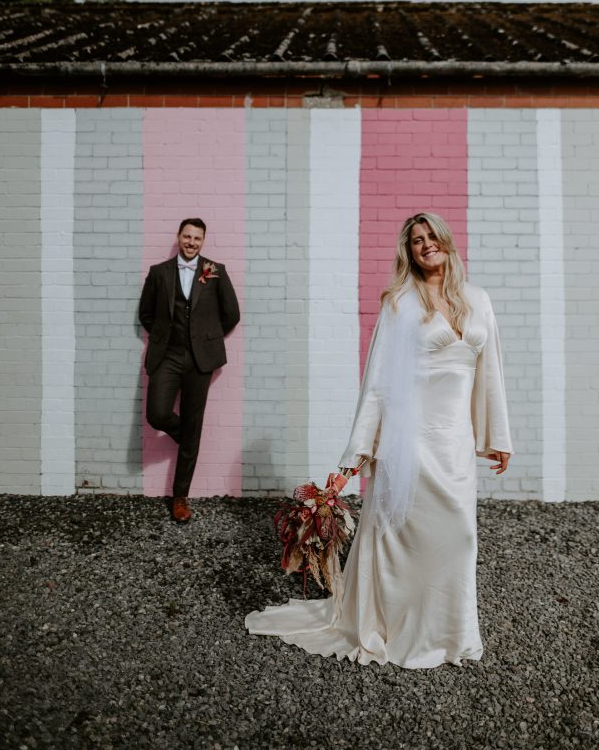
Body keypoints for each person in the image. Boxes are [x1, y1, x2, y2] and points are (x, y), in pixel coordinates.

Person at [246, 211, 513, 668]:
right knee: (403, 537)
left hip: (455, 447)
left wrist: (496, 437)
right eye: (415, 241)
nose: (425, 244)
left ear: (446, 241)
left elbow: (490, 373)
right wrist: (359, 452)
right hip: (410, 445)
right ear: (408, 252)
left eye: (431, 236)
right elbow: (377, 385)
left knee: (460, 536)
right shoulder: (399, 303)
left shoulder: (477, 299)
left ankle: (452, 634)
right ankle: (398, 625)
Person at [139, 218, 240, 523]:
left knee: (195, 417)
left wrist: (206, 338)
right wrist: (163, 336)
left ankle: (180, 497)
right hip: (167, 355)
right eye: (187, 236)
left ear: (203, 241)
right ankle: (189, 437)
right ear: (179, 237)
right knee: (157, 414)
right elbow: (145, 313)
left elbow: (231, 313)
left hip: (200, 360)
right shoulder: (159, 272)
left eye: (197, 238)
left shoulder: (215, 271)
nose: (191, 242)